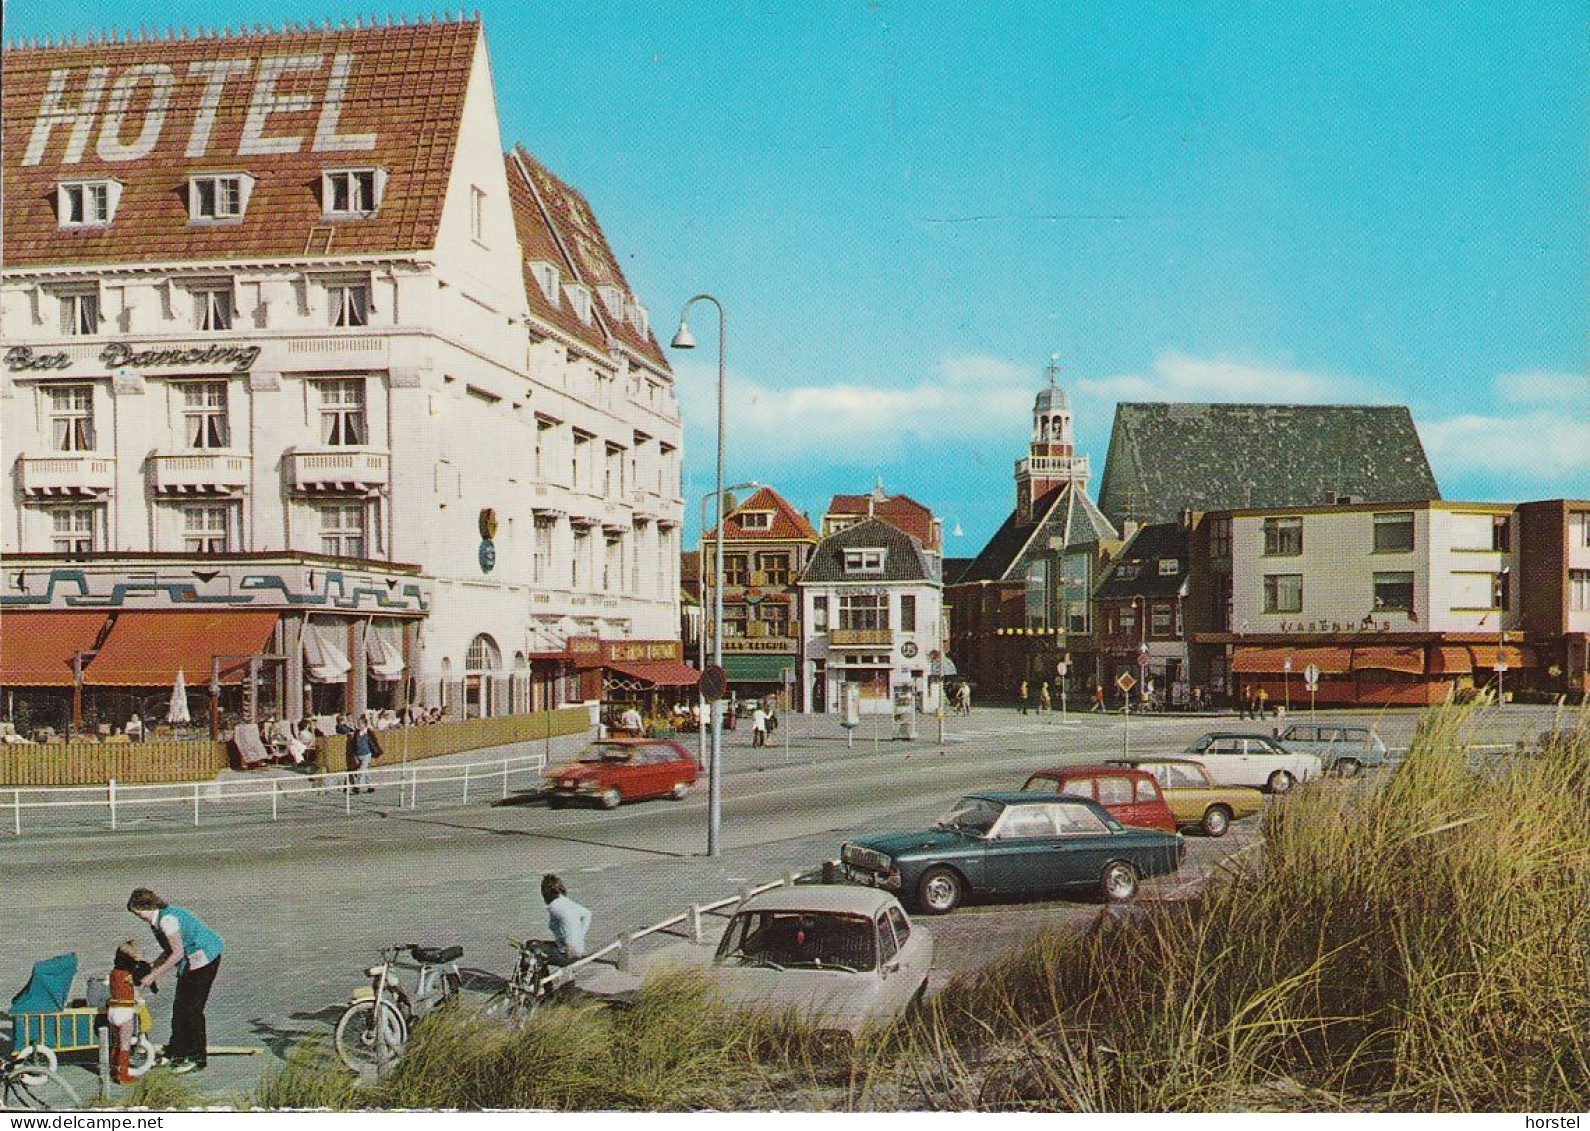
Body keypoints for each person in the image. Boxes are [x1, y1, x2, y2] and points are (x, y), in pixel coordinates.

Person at [126, 888, 222, 1074]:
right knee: (179, 1008)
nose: (138, 916)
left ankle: (197, 1057)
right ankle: (176, 1051)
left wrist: (153, 975)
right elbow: (170, 951)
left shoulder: (167, 920)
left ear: (148, 906)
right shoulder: (157, 921)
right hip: (191, 958)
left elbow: (177, 953)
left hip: (205, 958)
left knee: (192, 1010)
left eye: (138, 912)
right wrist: (154, 966)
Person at [106, 939, 151, 1084]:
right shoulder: (127, 975)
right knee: (125, 1044)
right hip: (124, 1011)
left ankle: (114, 1071)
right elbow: (137, 981)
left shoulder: (114, 973)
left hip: (112, 1011)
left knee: (116, 1042)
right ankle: (123, 1075)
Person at [541, 874, 591, 964]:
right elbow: (587, 914)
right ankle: (542, 976)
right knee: (540, 947)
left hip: (568, 953)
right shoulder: (565, 901)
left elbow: (568, 921)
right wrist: (580, 937)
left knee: (532, 947)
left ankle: (528, 977)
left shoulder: (554, 907)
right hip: (578, 949)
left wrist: (570, 944)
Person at [349, 717, 384, 793]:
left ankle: (357, 786)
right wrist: (354, 755)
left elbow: (374, 742)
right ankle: (370, 786)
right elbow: (354, 745)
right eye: (358, 724)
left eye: (360, 723)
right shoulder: (357, 733)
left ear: (364, 724)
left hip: (367, 754)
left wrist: (378, 752)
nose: (358, 725)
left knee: (361, 770)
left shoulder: (368, 732)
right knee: (365, 771)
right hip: (359, 754)